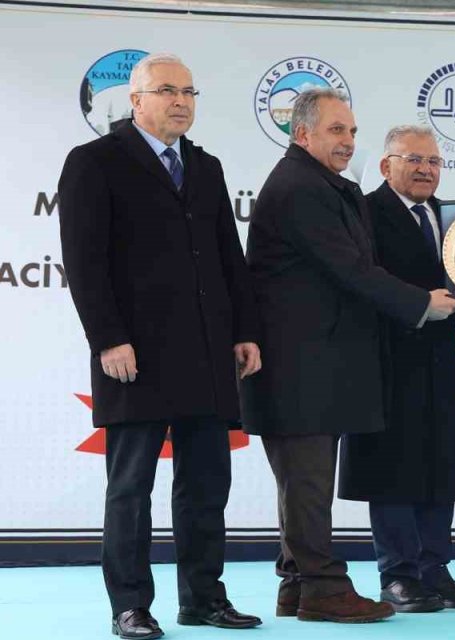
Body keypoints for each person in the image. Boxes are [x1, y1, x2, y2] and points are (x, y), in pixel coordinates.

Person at [58, 52, 263, 640]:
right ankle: (130, 605)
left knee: (206, 485)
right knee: (130, 489)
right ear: (137, 100)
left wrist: (245, 330)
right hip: (135, 357)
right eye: (167, 91)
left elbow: (229, 256)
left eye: (189, 92)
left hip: (207, 353)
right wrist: (108, 340)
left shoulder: (207, 167)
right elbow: (85, 261)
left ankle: (202, 597)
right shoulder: (95, 162)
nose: (180, 102)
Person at [241, 88, 455, 623]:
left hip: (315, 363)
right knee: (308, 483)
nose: (348, 142)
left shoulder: (320, 185)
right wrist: (420, 303)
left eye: (352, 132)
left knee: (302, 483)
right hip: (300, 364)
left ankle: (297, 583)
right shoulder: (300, 188)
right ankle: (322, 588)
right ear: (303, 134)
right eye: (337, 130)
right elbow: (351, 269)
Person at [336, 126, 455, 613]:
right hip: (384, 359)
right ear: (386, 166)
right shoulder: (363, 213)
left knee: (439, 465)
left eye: (434, 161)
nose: (426, 169)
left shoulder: (453, 219)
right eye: (415, 160)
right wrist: (421, 305)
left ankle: (434, 569)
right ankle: (398, 574)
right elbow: (362, 283)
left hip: (441, 360)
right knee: (393, 469)